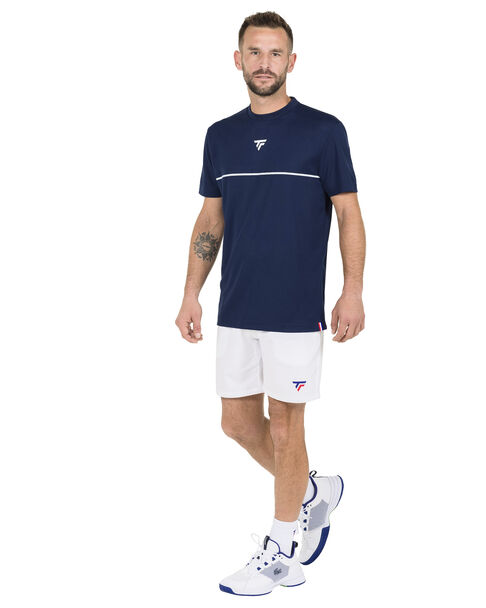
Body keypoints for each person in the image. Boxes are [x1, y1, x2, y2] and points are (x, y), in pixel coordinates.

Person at [176, 11, 366, 596]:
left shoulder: (323, 131)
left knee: (286, 425)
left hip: (294, 311)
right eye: (254, 53)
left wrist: (352, 289)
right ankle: (313, 492)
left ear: (292, 61)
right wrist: (190, 292)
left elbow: (349, 214)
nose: (265, 63)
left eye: (275, 53)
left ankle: (283, 553)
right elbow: (211, 219)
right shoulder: (220, 136)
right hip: (237, 306)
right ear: (238, 60)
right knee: (235, 422)